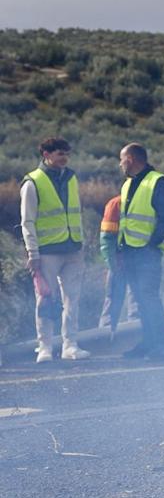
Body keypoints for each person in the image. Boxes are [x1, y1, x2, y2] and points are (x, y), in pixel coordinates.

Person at [20, 138, 90, 364]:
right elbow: (27, 222)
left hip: (73, 249)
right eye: (60, 153)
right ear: (46, 154)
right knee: (45, 300)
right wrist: (33, 254)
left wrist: (81, 243)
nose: (65, 158)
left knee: (73, 300)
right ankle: (45, 347)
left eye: (66, 154)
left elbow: (75, 212)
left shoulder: (71, 177)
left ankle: (70, 346)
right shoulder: (32, 182)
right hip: (47, 251)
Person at [117, 144, 164, 360]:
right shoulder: (127, 184)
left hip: (147, 253)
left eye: (122, 159)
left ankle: (161, 346)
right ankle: (148, 343)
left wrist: (152, 245)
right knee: (140, 300)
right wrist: (120, 250)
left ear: (130, 159)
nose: (120, 164)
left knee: (149, 299)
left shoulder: (157, 182)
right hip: (130, 251)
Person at [98, 194, 137, 339]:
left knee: (137, 302)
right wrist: (113, 264)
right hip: (119, 262)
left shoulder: (147, 202)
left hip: (138, 261)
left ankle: (134, 336)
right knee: (113, 301)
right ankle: (104, 338)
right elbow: (106, 239)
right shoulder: (115, 204)